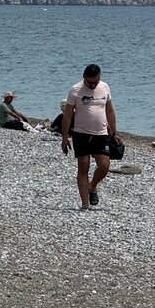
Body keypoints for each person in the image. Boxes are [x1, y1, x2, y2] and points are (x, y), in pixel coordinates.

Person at [61, 64, 121, 210]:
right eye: (89, 82)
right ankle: (84, 204)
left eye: (95, 81)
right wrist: (64, 138)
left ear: (99, 77)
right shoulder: (75, 90)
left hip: (101, 133)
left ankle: (92, 186)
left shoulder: (105, 87)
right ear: (84, 78)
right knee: (83, 166)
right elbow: (68, 114)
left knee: (104, 165)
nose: (92, 85)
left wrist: (114, 133)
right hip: (80, 133)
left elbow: (110, 111)